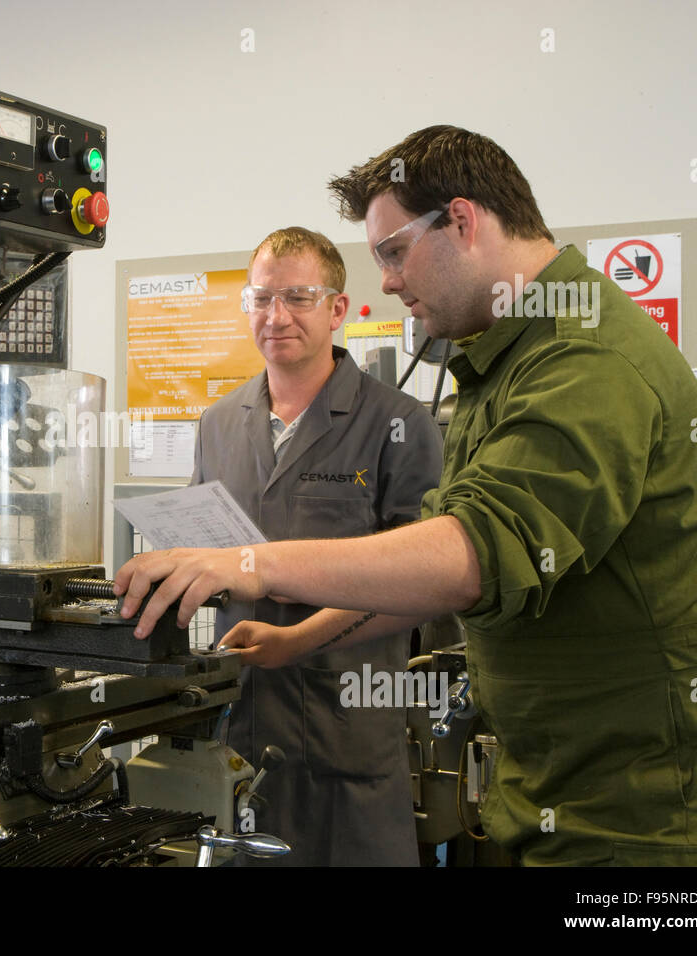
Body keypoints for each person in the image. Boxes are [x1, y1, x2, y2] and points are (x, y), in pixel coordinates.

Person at [116, 126, 697, 866]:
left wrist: (250, 564)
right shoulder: (502, 361)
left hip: (647, 822)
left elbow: (468, 555)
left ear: (462, 220)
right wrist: (294, 639)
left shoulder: (583, 359)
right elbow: (423, 579)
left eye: (392, 251)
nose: (387, 279)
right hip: (560, 794)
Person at [191, 227, 442, 866]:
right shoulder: (218, 424)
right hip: (241, 732)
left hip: (348, 734)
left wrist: (298, 640)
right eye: (261, 298)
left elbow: (422, 584)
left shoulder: (400, 425)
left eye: (299, 298)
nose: (277, 317)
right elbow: (203, 554)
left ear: (336, 309)